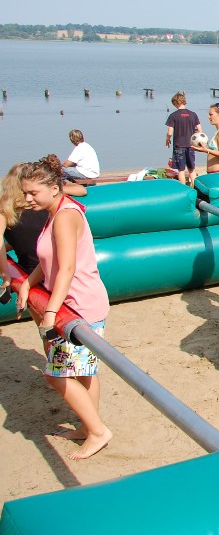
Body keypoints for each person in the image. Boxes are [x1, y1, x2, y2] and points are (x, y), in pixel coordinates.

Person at [16, 155, 113, 460]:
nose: (27, 199)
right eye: (25, 193)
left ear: (54, 188)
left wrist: (49, 313)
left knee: (56, 375)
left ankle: (98, 431)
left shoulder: (65, 216)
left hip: (80, 307)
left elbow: (67, 267)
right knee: (84, 372)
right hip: (73, 304)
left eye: (33, 193)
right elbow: (49, 262)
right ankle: (88, 426)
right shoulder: (54, 212)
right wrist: (28, 283)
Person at [1, 164, 49, 297]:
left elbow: (23, 239)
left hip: (30, 275)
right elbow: (34, 236)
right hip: (54, 271)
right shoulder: (45, 205)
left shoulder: (6, 211)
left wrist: (6, 277)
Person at [164, 92, 202, 186]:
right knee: (191, 169)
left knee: (181, 170)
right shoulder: (193, 114)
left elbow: (170, 132)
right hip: (191, 145)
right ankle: (195, 187)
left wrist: (167, 139)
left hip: (179, 145)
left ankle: (184, 188)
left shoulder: (173, 115)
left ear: (175, 103)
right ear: (184, 101)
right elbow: (200, 130)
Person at [193, 103, 219, 174]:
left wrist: (207, 150)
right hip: (214, 173)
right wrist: (202, 148)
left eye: (211, 114)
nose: (208, 117)